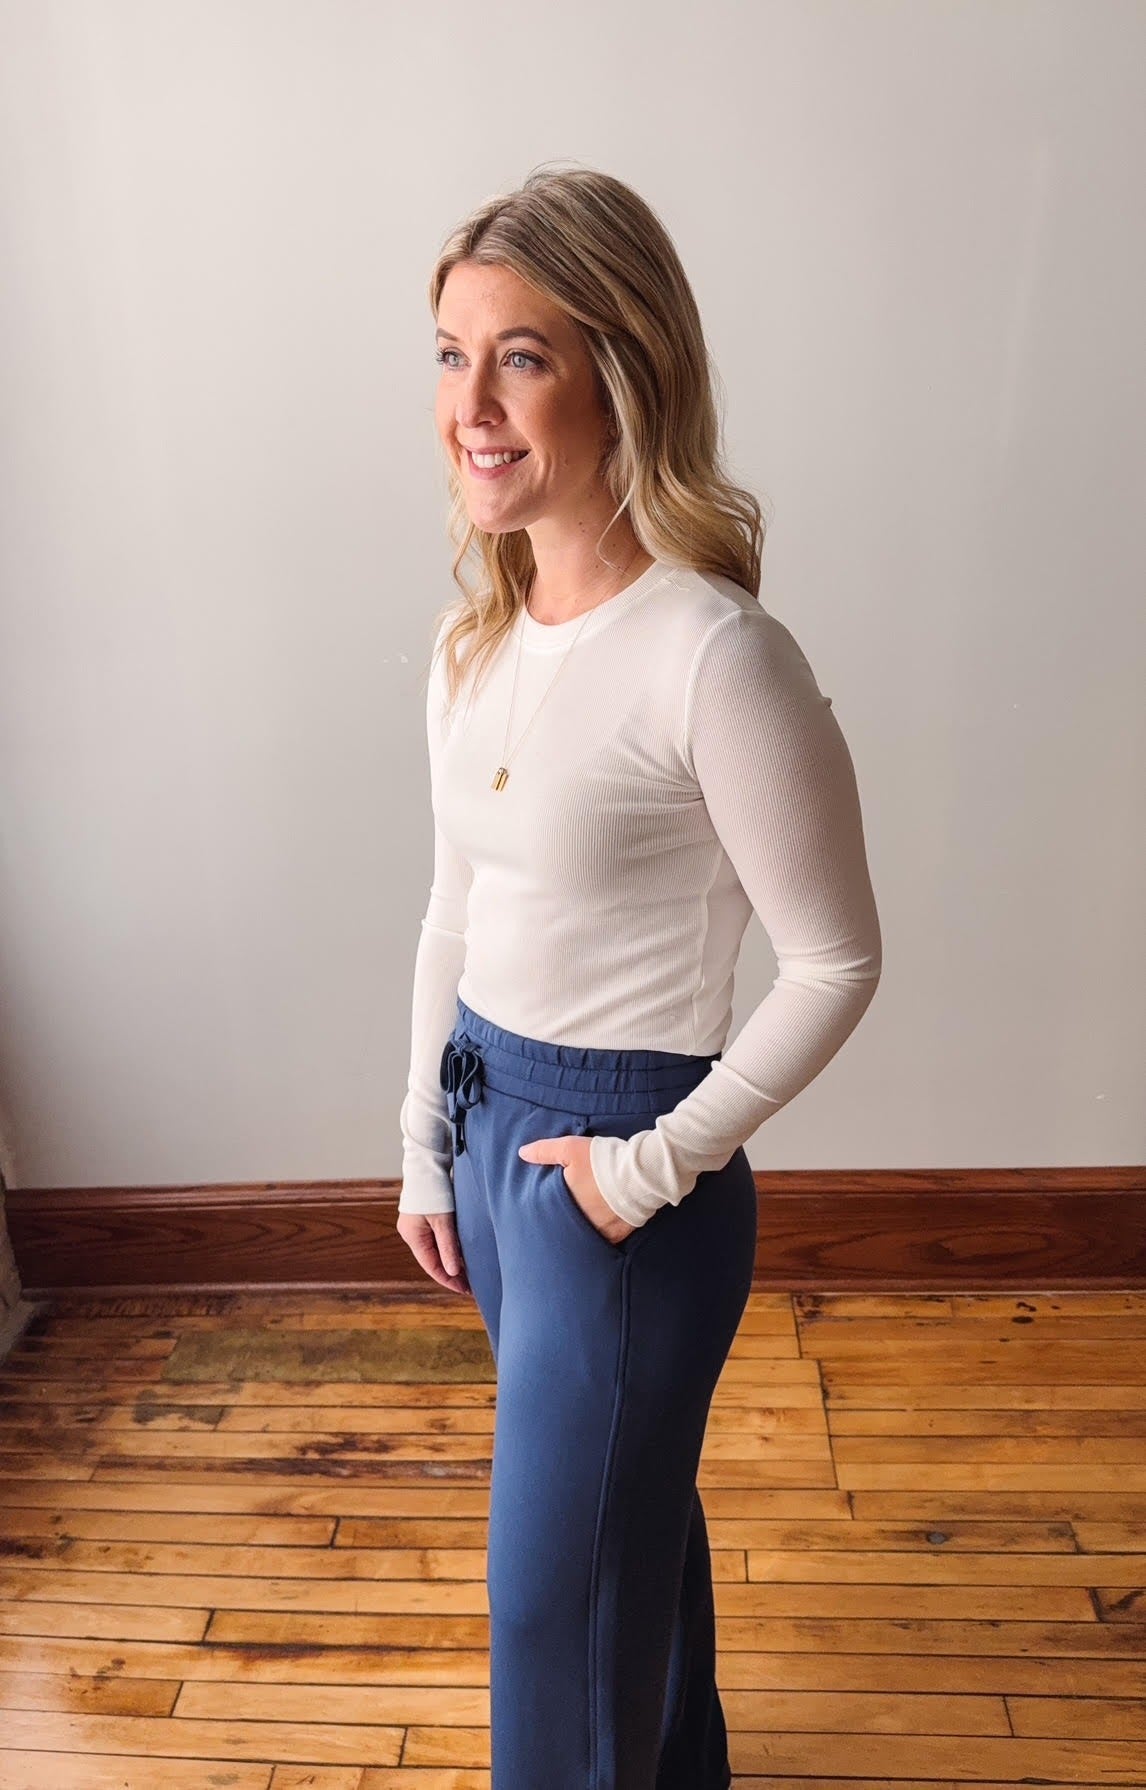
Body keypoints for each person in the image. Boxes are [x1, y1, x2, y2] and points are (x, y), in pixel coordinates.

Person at [396, 162, 882, 1790]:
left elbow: (834, 957)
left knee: (553, 1606)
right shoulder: (476, 644)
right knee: (622, 1546)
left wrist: (646, 1166)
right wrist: (421, 1138)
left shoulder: (713, 656)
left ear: (621, 367)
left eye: (520, 355)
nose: (473, 402)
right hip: (491, 1122)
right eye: (451, 353)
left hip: (625, 1170)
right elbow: (452, 905)